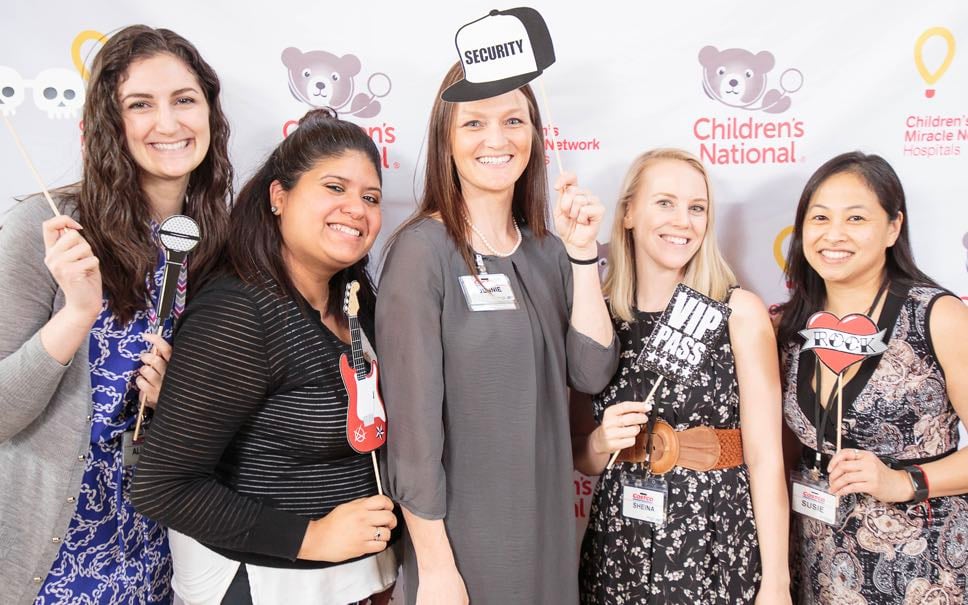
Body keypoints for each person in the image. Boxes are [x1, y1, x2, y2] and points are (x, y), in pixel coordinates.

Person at [0, 25, 231, 605]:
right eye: (141, 105)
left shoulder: (222, 247)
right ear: (110, 122)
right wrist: (77, 313)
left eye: (184, 100)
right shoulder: (47, 229)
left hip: (160, 563)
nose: (169, 123)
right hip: (44, 567)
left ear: (209, 111)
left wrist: (180, 401)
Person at [131, 108, 398, 605]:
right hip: (263, 585)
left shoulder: (357, 300)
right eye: (335, 188)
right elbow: (162, 486)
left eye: (371, 197)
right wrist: (311, 537)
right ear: (279, 196)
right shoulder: (239, 311)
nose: (357, 209)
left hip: (356, 581)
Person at [375, 63, 619, 604]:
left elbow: (592, 369)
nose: (496, 138)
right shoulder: (421, 253)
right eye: (474, 123)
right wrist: (437, 569)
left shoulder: (549, 251)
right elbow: (412, 437)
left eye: (513, 120)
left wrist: (581, 252)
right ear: (447, 139)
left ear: (534, 132)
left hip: (549, 532)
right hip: (464, 541)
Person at [572, 149, 791, 604]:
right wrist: (600, 442)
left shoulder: (737, 312)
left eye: (697, 208)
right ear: (628, 212)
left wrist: (776, 582)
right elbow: (582, 456)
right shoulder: (599, 316)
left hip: (714, 537)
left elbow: (766, 458)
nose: (683, 221)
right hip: (621, 541)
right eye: (665, 203)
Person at [775, 151, 968, 603]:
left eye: (856, 217)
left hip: (921, 572)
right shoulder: (788, 327)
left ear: (893, 228)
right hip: (818, 565)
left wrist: (904, 482)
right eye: (819, 217)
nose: (834, 234)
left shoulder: (935, 316)